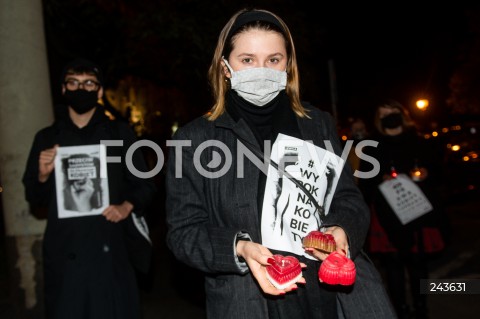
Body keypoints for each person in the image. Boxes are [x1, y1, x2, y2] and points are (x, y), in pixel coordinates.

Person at [165, 8, 388, 319]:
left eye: (273, 60)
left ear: (288, 65)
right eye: (247, 60)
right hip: (249, 301)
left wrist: (341, 230)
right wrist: (240, 248)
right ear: (226, 67)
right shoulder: (194, 138)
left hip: (330, 296)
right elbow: (183, 233)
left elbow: (348, 199)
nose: (262, 70)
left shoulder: (318, 124)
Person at [22, 58, 156, 319]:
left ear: (100, 91)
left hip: (112, 252)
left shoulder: (120, 134)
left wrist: (126, 206)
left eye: (88, 83)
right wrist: (41, 175)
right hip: (65, 254)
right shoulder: (46, 138)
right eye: (73, 82)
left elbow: (146, 185)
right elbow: (33, 198)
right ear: (63, 89)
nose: (80, 88)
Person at [358, 99, 449, 319]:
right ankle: (399, 309)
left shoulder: (419, 141)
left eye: (393, 111)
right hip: (387, 212)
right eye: (383, 113)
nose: (389, 115)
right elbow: (365, 182)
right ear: (378, 120)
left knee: (419, 262)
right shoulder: (372, 146)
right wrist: (381, 178)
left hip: (417, 209)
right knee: (394, 263)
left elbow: (439, 172)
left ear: (402, 114)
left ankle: (421, 307)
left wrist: (426, 174)